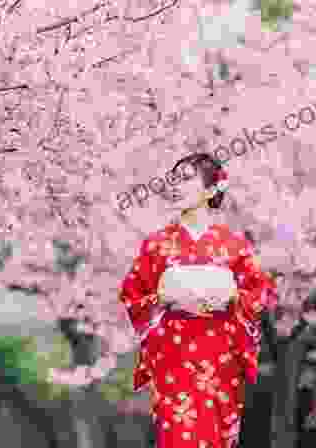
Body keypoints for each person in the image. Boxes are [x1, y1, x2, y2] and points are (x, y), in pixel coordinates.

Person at [118, 152, 278, 448]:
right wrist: (163, 297)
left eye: (186, 179)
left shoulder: (235, 245)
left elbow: (262, 292)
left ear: (209, 190)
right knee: (179, 434)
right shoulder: (156, 245)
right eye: (174, 179)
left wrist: (231, 295)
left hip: (220, 358)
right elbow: (132, 294)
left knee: (217, 437)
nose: (175, 186)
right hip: (174, 359)